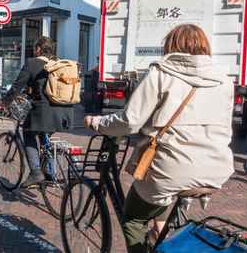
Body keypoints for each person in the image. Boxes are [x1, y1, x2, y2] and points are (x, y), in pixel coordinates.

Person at [84, 24, 234, 253]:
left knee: (133, 218)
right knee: (160, 201)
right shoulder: (224, 79)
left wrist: (97, 123)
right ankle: (163, 236)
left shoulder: (162, 73)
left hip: (173, 168)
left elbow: (130, 121)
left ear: (171, 45)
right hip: (216, 168)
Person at [4, 37, 74, 188]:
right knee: (44, 138)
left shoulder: (32, 63)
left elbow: (17, 86)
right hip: (64, 112)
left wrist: (5, 102)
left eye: (35, 48)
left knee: (28, 132)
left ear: (38, 49)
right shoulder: (58, 63)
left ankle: (36, 171)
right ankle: (49, 173)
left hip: (43, 112)